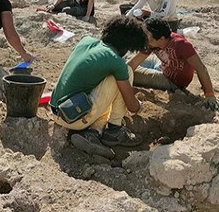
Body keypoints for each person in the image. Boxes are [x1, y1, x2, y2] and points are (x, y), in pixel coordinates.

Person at [50, 16, 147, 159]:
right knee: (125, 73)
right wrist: (139, 106)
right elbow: (132, 107)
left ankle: (93, 132)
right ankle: (114, 130)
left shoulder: (87, 41)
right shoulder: (116, 62)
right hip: (73, 118)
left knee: (114, 77)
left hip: (58, 110)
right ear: (127, 46)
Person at [129, 18, 219, 110]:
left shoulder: (181, 44)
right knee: (125, 64)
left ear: (161, 38)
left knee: (130, 73)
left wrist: (209, 95)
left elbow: (200, 68)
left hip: (172, 81)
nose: (144, 38)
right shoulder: (152, 43)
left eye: (146, 36)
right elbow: (134, 62)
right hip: (164, 65)